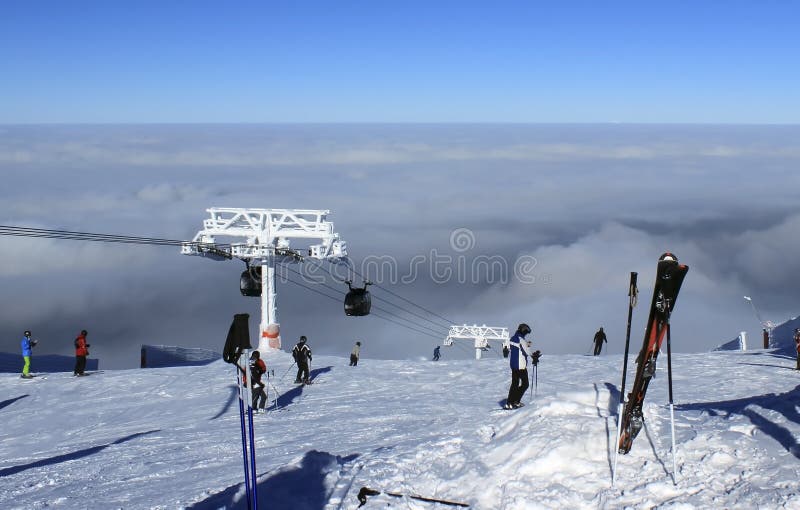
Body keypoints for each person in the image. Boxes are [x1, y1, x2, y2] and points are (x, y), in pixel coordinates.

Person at [505, 323, 533, 410]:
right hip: (521, 366)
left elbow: (510, 348)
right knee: (525, 384)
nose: (526, 334)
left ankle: (510, 402)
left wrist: (526, 345)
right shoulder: (521, 340)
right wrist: (534, 356)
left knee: (515, 384)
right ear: (523, 331)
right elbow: (527, 352)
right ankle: (515, 401)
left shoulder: (512, 338)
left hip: (513, 365)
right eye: (526, 332)